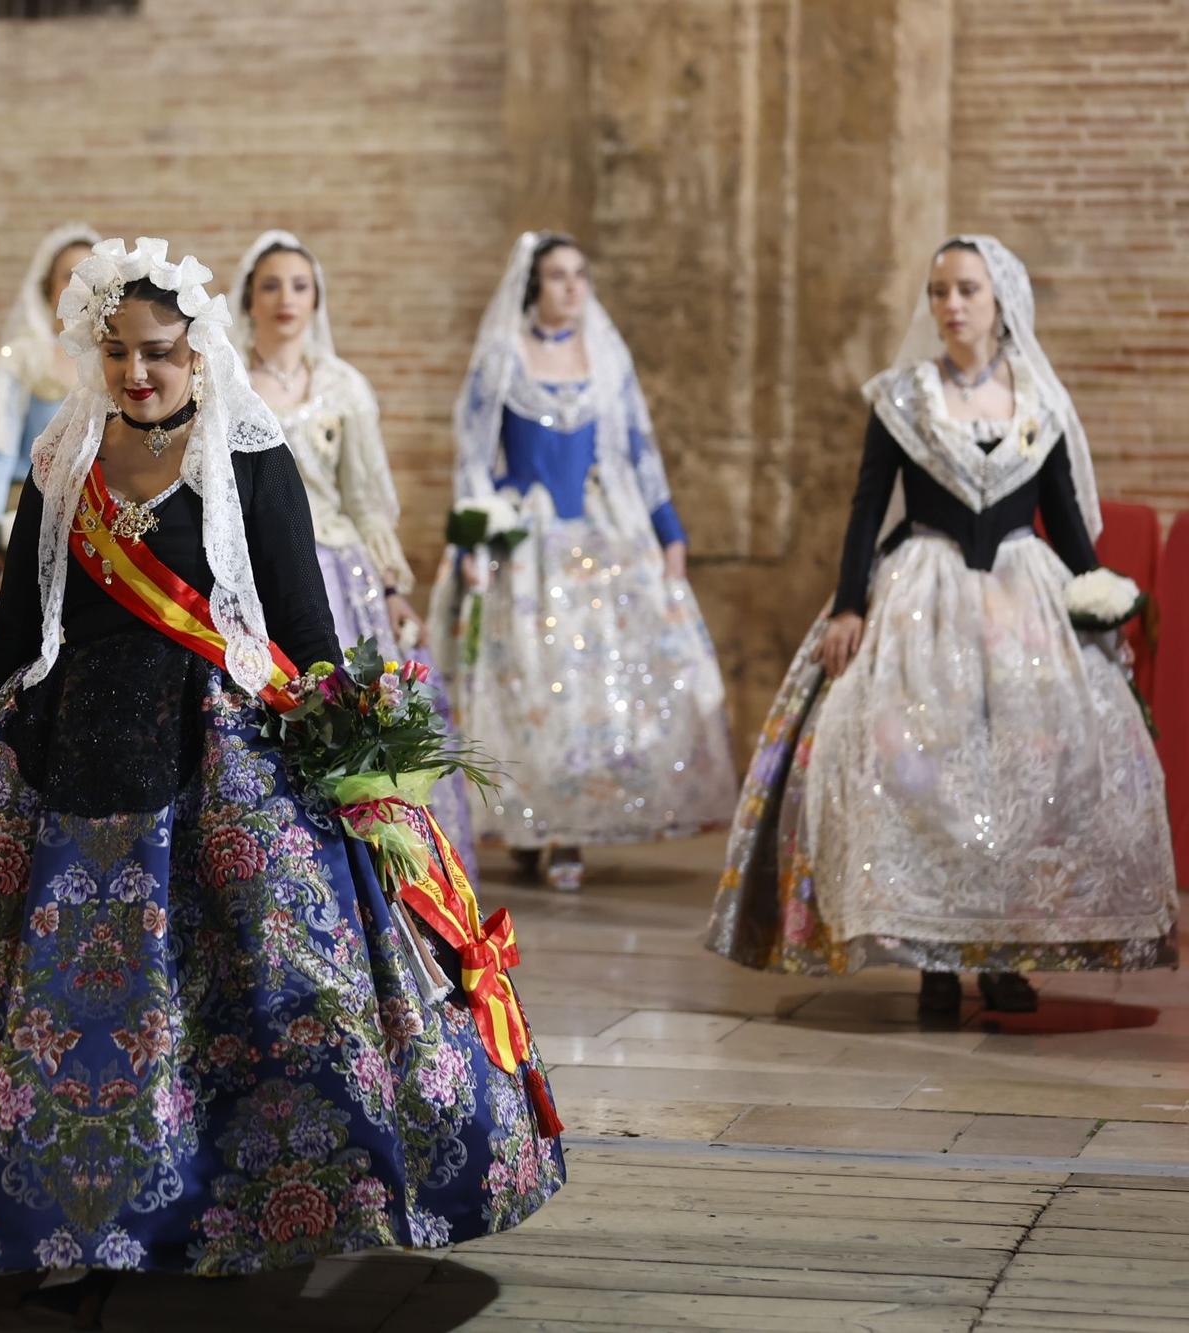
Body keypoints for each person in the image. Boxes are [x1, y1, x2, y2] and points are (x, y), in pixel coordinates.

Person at [0, 238, 563, 1293]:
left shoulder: (249, 463)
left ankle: (242, 1211)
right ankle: (55, 1218)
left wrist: (357, 766)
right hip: (64, 756)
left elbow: (302, 629)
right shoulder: (59, 460)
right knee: (58, 1011)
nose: (137, 374)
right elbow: (19, 627)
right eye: (118, 351)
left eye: (159, 354)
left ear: (198, 354)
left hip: (218, 757)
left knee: (248, 999)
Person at [706, 235, 1178, 1015]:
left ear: (1001, 303)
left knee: (1030, 777)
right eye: (938, 292)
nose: (950, 305)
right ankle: (932, 960)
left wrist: (1096, 599)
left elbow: (1062, 514)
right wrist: (851, 603)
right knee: (917, 768)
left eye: (966, 290)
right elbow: (867, 506)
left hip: (1022, 601)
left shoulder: (1040, 402)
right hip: (922, 594)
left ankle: (1006, 957)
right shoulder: (905, 397)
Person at [433, 232, 734, 891]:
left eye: (579, 275)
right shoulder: (502, 359)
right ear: (533, 287)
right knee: (535, 688)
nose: (572, 286)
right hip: (528, 546)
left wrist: (669, 529)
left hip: (599, 540)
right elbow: (474, 459)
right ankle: (529, 822)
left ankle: (569, 829)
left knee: (590, 693)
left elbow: (640, 449)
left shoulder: (605, 357)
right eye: (557, 276)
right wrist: (475, 541)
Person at [229, 227, 477, 879]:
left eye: (300, 286)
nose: (286, 298)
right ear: (248, 299)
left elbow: (366, 499)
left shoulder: (344, 387)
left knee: (352, 721)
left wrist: (393, 590)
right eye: (271, 285)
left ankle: (378, 870)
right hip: (254, 575)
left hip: (338, 570)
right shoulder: (224, 382)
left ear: (317, 299)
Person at [0, 223, 98, 627]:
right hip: (33, 512)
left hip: (102, 518)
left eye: (91, 275)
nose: (80, 287)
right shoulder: (23, 358)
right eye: (68, 276)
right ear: (48, 288)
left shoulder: (123, 358)